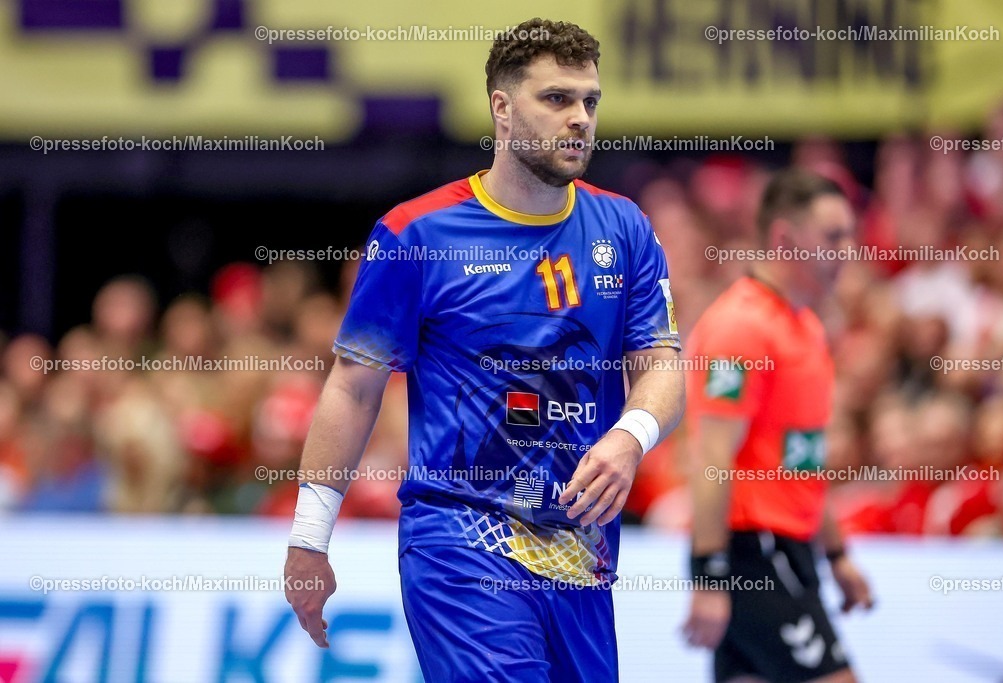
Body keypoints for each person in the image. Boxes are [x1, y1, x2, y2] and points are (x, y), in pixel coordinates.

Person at [284, 18, 684, 682]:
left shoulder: (626, 227)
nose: (579, 118)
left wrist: (631, 437)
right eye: (556, 99)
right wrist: (308, 539)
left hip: (580, 554)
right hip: (460, 541)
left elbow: (662, 366)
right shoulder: (417, 233)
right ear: (501, 108)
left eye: (590, 101)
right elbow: (353, 386)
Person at [683, 169, 875, 683]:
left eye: (851, 234)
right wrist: (708, 576)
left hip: (792, 550)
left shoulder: (806, 326)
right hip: (754, 554)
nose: (848, 249)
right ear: (785, 239)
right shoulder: (740, 327)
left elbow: (804, 459)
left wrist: (837, 556)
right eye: (833, 236)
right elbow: (711, 460)